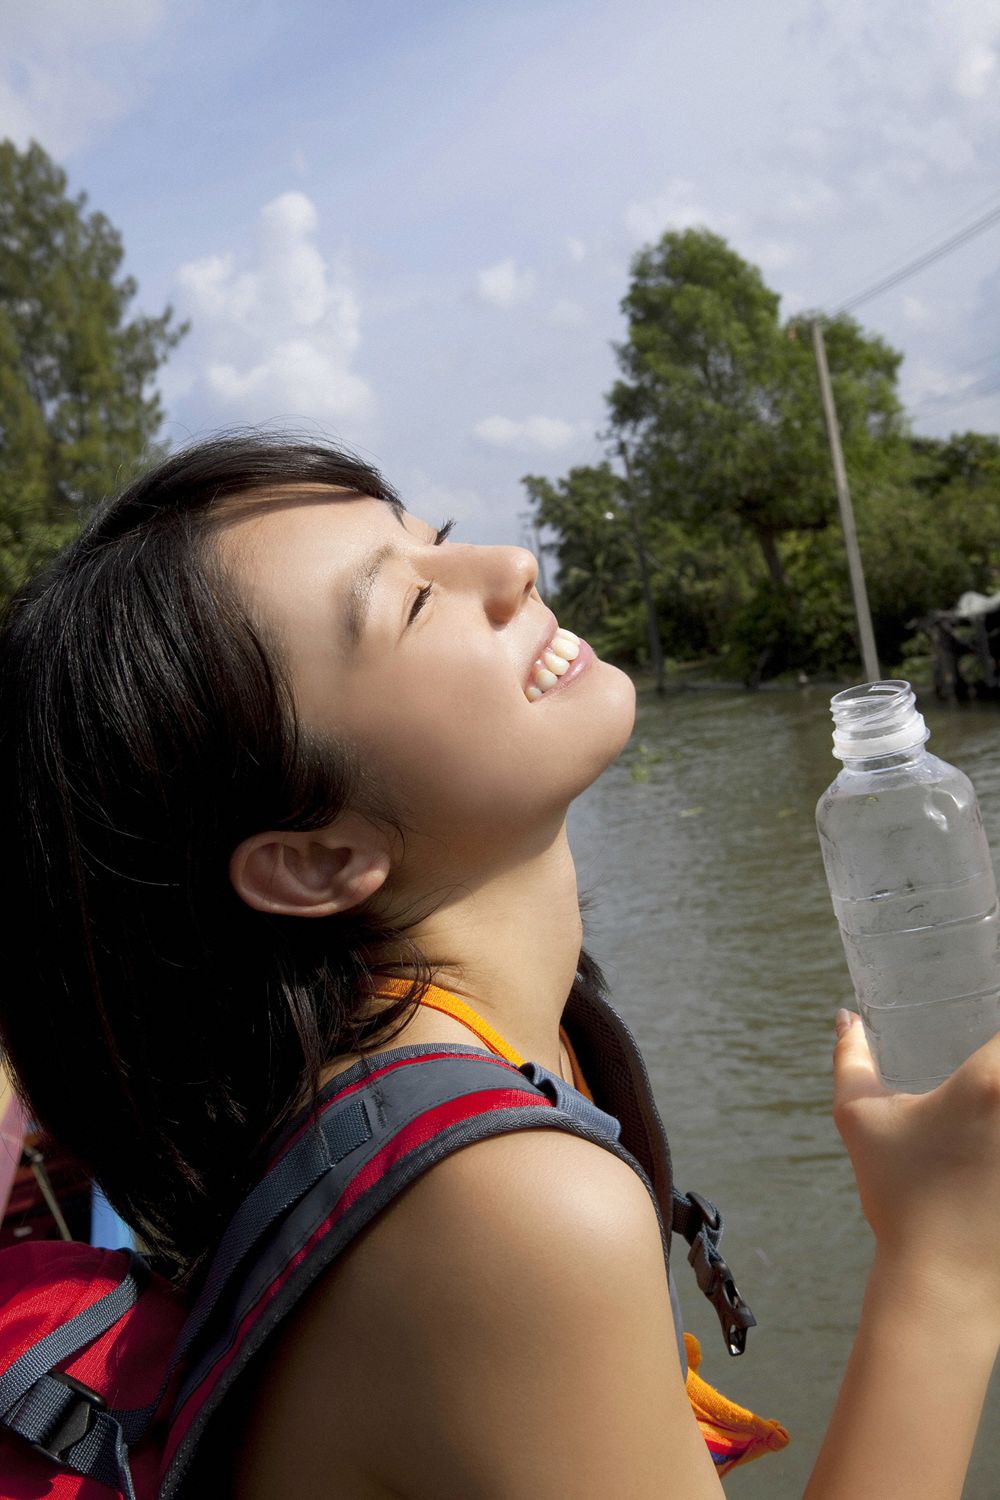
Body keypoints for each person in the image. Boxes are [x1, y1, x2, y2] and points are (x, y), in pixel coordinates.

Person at [1, 433, 999, 1500]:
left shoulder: (451, 1070)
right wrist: (943, 1261)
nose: (509, 565)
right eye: (412, 604)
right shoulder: (501, 1205)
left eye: (435, 543)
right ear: (317, 858)